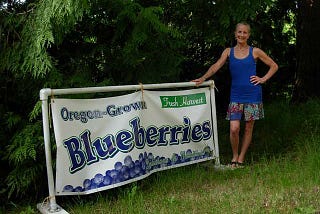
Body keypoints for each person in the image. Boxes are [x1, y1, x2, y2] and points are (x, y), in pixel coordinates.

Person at [192, 22, 278, 168]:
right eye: (239, 32)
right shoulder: (228, 52)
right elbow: (216, 66)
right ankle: (234, 155)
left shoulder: (255, 51)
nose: (242, 35)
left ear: (248, 35)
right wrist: (203, 78)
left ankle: (240, 159)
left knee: (249, 127)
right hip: (236, 95)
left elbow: (274, 66)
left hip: (253, 94)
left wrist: (263, 79)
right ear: (235, 33)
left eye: (245, 33)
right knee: (234, 128)